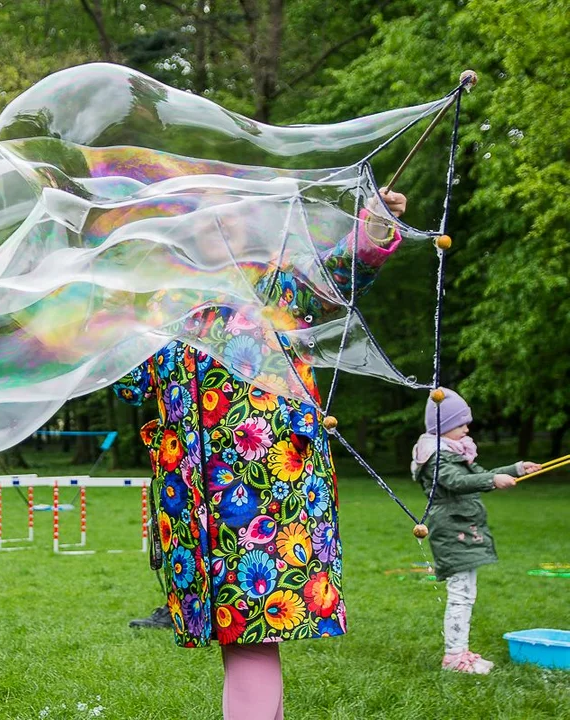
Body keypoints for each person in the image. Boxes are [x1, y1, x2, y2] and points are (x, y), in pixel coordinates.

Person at [114, 189, 407, 719]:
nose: (216, 227)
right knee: (240, 636)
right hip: (195, 501)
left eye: (227, 218)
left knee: (251, 628)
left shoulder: (276, 284)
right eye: (202, 220)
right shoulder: (166, 304)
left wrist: (373, 230)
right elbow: (134, 385)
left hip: (268, 487)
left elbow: (338, 276)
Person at [410, 389, 539, 674]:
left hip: (462, 526)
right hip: (451, 527)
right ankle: (455, 657)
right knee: (461, 593)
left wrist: (516, 469)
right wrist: (493, 480)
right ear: (444, 427)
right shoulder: (435, 457)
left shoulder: (454, 451)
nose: (467, 428)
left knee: (466, 591)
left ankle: (460, 652)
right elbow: (456, 481)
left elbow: (476, 473)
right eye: (461, 424)